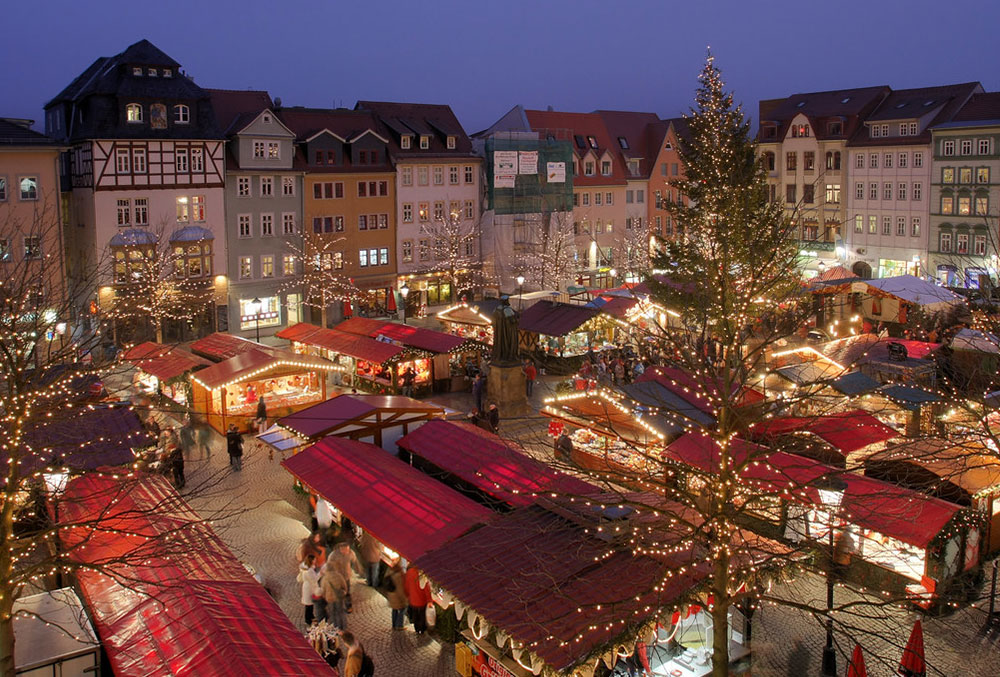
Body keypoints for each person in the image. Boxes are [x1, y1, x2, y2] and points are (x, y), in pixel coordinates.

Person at [328, 541, 362, 613]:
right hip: (337, 578)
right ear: (341, 549)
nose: (347, 551)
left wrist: (359, 569)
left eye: (348, 549)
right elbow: (329, 565)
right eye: (345, 550)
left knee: (347, 592)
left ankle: (348, 606)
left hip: (346, 576)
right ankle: (337, 607)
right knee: (338, 592)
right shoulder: (334, 555)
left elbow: (355, 561)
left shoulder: (350, 553)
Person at [404, 563, 432, 634]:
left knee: (415, 615)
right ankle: (422, 629)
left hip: (413, 599)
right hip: (422, 600)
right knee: (422, 615)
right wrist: (429, 600)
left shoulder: (409, 573)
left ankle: (417, 629)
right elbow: (426, 589)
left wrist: (407, 595)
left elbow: (406, 585)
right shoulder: (422, 576)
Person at [319, 561, 348, 629]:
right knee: (340, 612)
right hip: (339, 597)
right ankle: (342, 627)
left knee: (332, 613)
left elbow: (323, 590)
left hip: (329, 598)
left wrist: (324, 596)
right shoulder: (339, 576)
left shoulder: (325, 578)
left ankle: (335, 627)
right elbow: (344, 586)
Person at [298, 553, 322, 626]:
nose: (315, 560)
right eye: (314, 559)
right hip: (309, 588)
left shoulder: (305, 567)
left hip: (308, 586)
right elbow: (315, 579)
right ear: (311, 561)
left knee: (310, 604)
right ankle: (308, 619)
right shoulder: (309, 571)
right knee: (308, 605)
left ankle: (311, 616)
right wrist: (321, 573)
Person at [385, 560, 407, 630]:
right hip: (397, 597)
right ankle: (399, 625)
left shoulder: (389, 571)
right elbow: (400, 589)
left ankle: (394, 625)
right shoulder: (398, 576)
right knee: (402, 609)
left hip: (391, 595)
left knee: (394, 610)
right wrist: (404, 600)